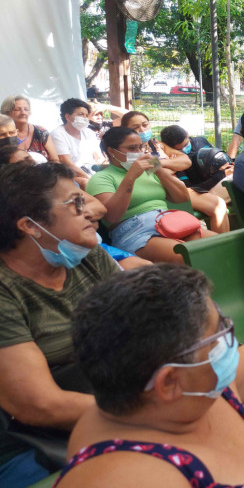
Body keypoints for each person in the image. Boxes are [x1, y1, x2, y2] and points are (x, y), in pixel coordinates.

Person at [55, 263, 244, 488]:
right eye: (219, 334)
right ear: (169, 382)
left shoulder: (198, 392)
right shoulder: (125, 476)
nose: (228, 341)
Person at [0, 163, 121, 487]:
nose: (95, 210)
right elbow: (38, 405)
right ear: (30, 226)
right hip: (29, 443)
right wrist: (150, 411)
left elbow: (139, 324)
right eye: (76, 203)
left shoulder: (84, 252)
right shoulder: (4, 290)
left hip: (105, 403)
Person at [86, 127, 212, 263]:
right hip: (134, 231)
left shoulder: (149, 172)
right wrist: (131, 176)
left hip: (169, 222)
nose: (138, 153)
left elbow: (181, 197)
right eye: (132, 148)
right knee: (188, 256)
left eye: (140, 147)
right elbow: (112, 216)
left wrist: (158, 168)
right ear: (112, 151)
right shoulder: (101, 178)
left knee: (218, 245)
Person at [159, 125, 232, 234]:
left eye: (186, 144)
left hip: (213, 182)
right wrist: (220, 175)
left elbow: (186, 162)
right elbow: (191, 188)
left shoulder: (200, 141)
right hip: (199, 190)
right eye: (179, 149)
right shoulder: (170, 155)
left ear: (187, 134)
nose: (184, 150)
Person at [50, 98, 105, 187]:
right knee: (87, 183)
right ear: (67, 117)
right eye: (81, 114)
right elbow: (67, 162)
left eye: (87, 115)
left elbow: (98, 157)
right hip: (71, 174)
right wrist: (89, 177)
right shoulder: (57, 134)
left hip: (92, 171)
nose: (85, 118)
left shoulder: (88, 132)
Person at [120, 111, 192, 175]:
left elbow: (186, 161)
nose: (142, 130)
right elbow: (152, 174)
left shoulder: (156, 144)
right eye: (135, 127)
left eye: (145, 125)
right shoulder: (125, 151)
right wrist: (172, 165)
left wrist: (161, 163)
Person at [1, 95, 57, 163]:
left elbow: (55, 160)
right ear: (7, 113)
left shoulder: (40, 132)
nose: (23, 113)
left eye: (26, 109)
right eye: (17, 109)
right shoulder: (6, 136)